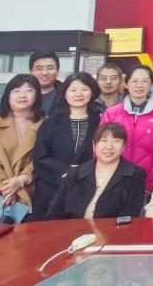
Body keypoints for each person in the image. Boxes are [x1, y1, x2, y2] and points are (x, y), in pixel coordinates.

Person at [32, 72, 103, 219]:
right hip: (51, 189)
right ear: (64, 94)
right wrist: (67, 171)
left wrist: (82, 172)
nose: (79, 94)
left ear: (92, 92)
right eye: (73, 90)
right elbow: (40, 156)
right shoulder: (50, 122)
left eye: (84, 89)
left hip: (87, 188)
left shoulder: (100, 121)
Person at [0, 75, 44, 214]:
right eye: (16, 91)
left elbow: (42, 159)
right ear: (8, 96)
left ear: (37, 96)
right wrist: (7, 189)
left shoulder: (45, 125)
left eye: (29, 90)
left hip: (26, 194)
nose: (22, 95)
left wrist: (22, 179)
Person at [99, 65, 153, 194]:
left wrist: (150, 183)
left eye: (144, 81)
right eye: (134, 81)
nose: (139, 85)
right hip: (112, 181)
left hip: (147, 184)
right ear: (126, 84)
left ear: (152, 84)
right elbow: (100, 147)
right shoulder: (112, 113)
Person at [46, 123, 146, 219]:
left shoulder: (135, 175)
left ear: (123, 147)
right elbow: (54, 212)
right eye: (104, 140)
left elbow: (129, 215)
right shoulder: (75, 173)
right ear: (94, 145)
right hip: (71, 229)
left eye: (116, 141)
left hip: (113, 230)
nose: (109, 147)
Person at [29, 51, 62, 115]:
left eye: (50, 68)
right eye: (39, 69)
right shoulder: (20, 94)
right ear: (31, 72)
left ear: (57, 71)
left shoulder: (67, 94)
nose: (45, 73)